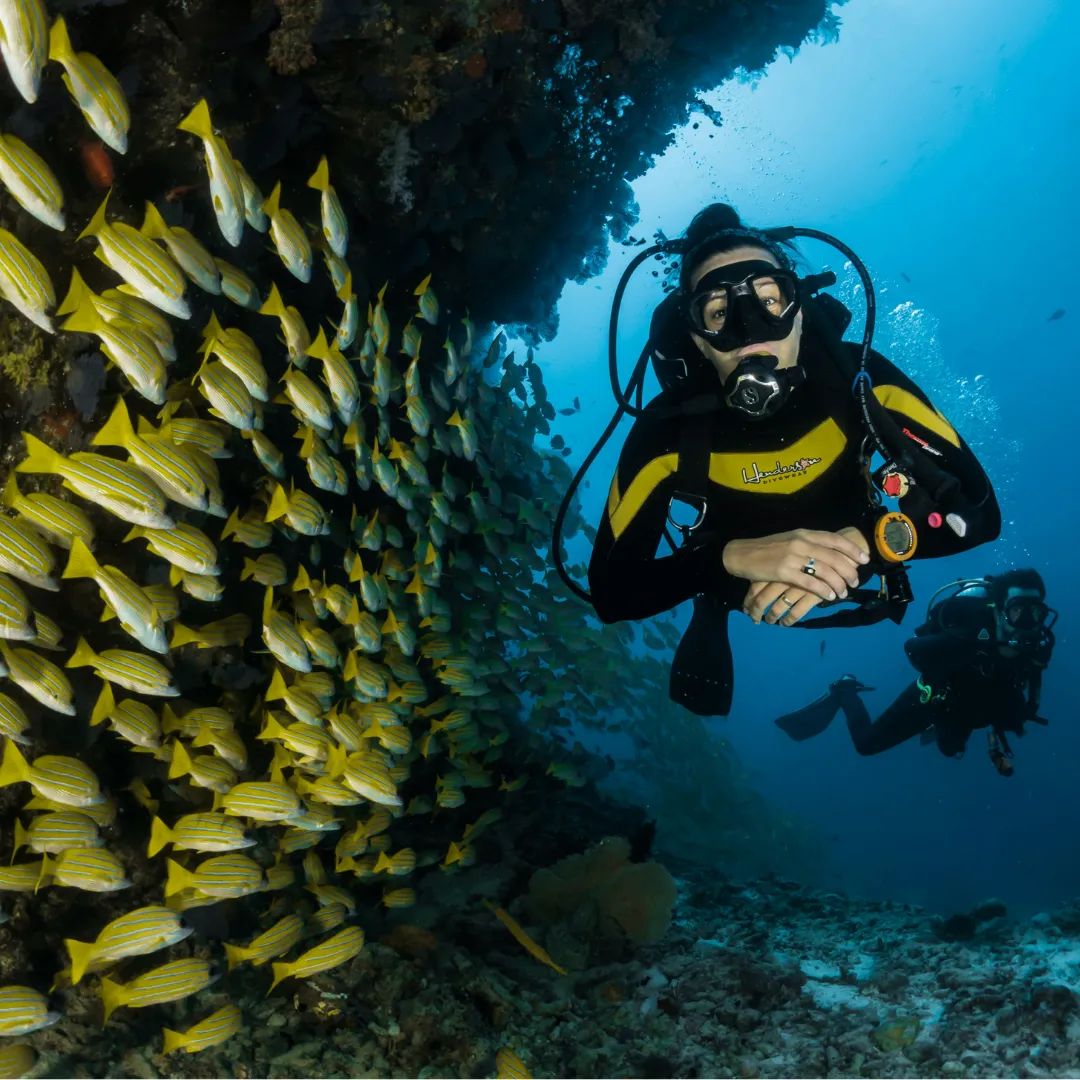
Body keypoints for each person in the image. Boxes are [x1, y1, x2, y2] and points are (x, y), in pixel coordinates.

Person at [585, 204, 1001, 715]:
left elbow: (980, 513)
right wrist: (724, 561)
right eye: (717, 312)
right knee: (711, 586)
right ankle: (712, 603)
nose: (747, 328)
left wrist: (870, 543)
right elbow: (612, 593)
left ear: (799, 310)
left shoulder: (864, 381)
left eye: (769, 299)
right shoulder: (666, 431)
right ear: (696, 337)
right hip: (734, 578)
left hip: (861, 550)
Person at [775, 570, 1056, 776]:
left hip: (975, 705)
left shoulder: (1035, 649)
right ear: (998, 611)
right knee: (867, 744)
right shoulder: (970, 634)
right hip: (936, 696)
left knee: (950, 750)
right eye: (1020, 611)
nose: (1029, 623)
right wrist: (968, 652)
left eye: (1037, 613)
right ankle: (845, 690)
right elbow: (914, 648)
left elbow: (1024, 694)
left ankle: (947, 731)